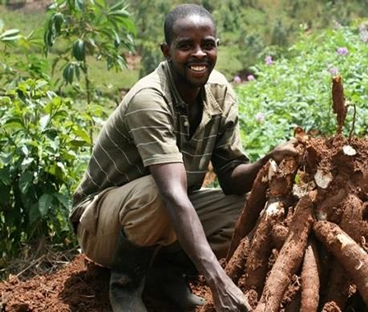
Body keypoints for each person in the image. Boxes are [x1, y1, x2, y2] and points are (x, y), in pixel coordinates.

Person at [70, 3, 296, 312]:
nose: (199, 54)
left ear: (217, 46)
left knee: (250, 210)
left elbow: (230, 176)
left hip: (165, 214)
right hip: (101, 223)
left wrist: (266, 162)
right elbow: (172, 195)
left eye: (208, 45)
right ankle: (125, 286)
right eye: (186, 46)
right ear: (166, 50)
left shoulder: (219, 91)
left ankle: (165, 272)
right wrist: (219, 281)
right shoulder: (149, 99)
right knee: (158, 192)